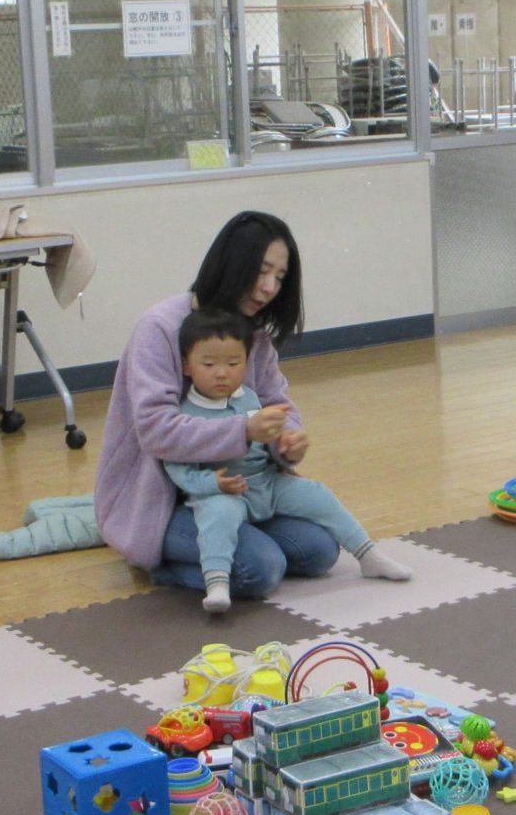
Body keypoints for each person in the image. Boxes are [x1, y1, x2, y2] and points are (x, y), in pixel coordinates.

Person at [96, 210, 407, 600]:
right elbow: (156, 430)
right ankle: (161, 565)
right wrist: (244, 429)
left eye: (280, 277)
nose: (269, 287)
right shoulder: (159, 327)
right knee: (260, 569)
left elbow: (277, 401)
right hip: (166, 501)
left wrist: (287, 439)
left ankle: (237, 542)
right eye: (262, 272)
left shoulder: (253, 333)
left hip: (246, 490)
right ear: (231, 265)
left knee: (319, 552)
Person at [164, 309, 406, 615]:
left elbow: (268, 444)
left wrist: (285, 446)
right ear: (187, 365)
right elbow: (177, 468)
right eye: (209, 365)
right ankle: (217, 582)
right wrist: (212, 483)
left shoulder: (249, 398)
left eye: (233, 364)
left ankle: (367, 554)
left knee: (317, 494)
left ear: (246, 363)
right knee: (218, 517)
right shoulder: (186, 413)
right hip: (224, 492)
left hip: (267, 483)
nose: (222, 373)